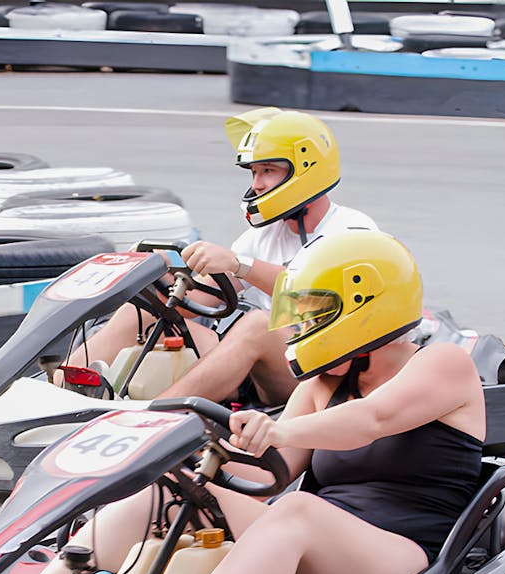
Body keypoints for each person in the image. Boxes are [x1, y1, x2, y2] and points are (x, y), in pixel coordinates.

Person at [34, 230, 486, 574]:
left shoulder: (444, 363)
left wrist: (279, 429)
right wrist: (200, 455)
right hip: (309, 549)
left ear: (364, 306)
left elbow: (370, 422)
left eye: (315, 313)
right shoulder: (321, 384)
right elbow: (264, 475)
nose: (302, 327)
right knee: (166, 490)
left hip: (397, 557)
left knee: (297, 511)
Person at [65, 107, 378, 407]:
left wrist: (239, 265)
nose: (256, 185)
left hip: (328, 372)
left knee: (256, 326)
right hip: (263, 369)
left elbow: (329, 298)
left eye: (268, 171)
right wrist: (161, 275)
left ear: (307, 168)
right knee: (144, 312)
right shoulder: (263, 236)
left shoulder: (351, 231)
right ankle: (64, 391)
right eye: (254, 172)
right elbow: (199, 298)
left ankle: (157, 415)